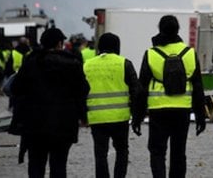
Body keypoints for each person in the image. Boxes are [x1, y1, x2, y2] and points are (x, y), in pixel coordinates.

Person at [10, 27, 90, 177]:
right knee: (59, 165)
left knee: (36, 164)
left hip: (35, 124)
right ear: (60, 43)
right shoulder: (71, 62)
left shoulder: (31, 61)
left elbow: (16, 88)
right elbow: (83, 90)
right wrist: (83, 116)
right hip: (64, 123)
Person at [136, 15, 206, 178]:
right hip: (182, 110)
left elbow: (142, 89)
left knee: (157, 151)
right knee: (179, 152)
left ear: (160, 29)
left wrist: (138, 117)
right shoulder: (189, 53)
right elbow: (198, 88)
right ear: (178, 30)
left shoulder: (151, 54)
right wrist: (200, 116)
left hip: (158, 110)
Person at [84, 32, 141, 178]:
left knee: (100, 153)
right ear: (117, 47)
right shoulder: (124, 63)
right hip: (119, 117)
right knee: (122, 150)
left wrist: (82, 115)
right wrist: (137, 117)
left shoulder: (87, 65)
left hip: (96, 117)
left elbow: (79, 91)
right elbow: (136, 91)